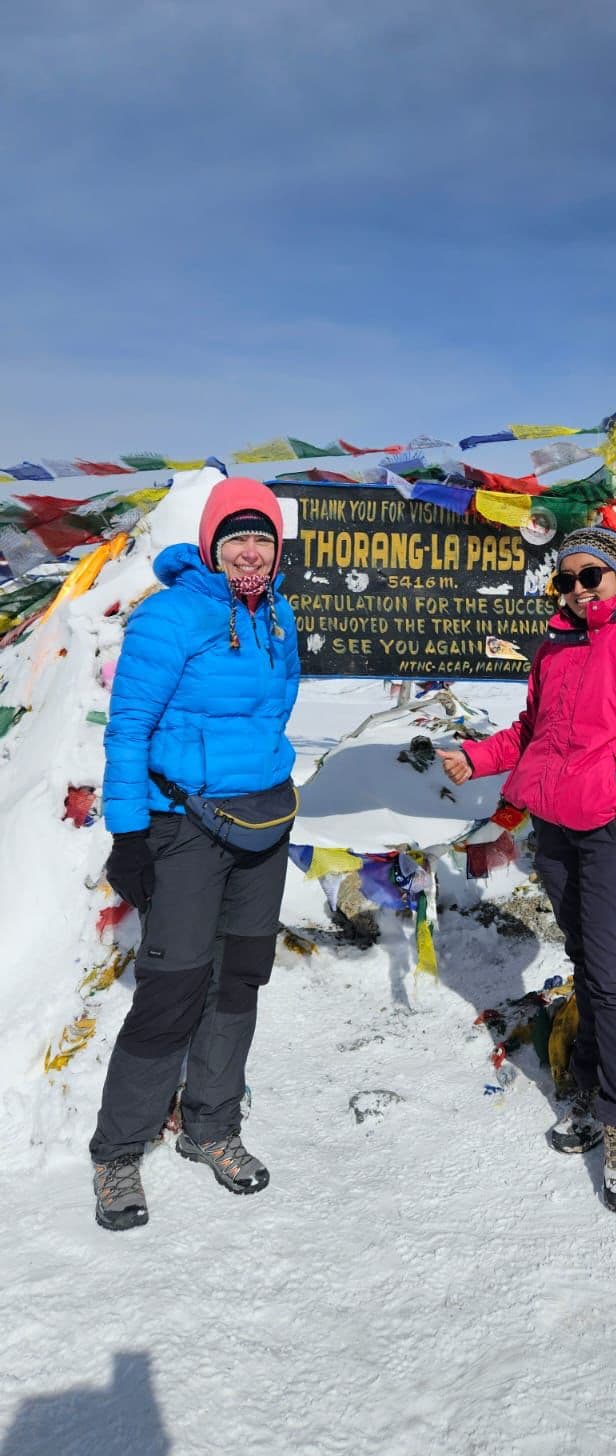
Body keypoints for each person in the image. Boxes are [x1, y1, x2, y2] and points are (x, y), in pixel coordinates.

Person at [437, 517, 616, 1213]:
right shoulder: (557, 646)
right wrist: (476, 757)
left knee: (613, 978)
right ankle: (596, 1094)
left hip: (611, 830)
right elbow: (535, 732)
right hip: (556, 829)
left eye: (588, 575)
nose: (573, 589)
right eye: (563, 579)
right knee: (590, 967)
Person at [91, 477, 300, 1231]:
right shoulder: (169, 617)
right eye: (237, 537)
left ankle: (212, 1128)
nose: (251, 551)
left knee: (239, 980)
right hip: (182, 827)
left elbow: (277, 707)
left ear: (277, 549)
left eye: (263, 538)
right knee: (173, 989)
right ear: (212, 543)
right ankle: (118, 1152)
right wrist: (129, 833)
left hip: (263, 827)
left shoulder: (280, 616)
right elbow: (127, 731)